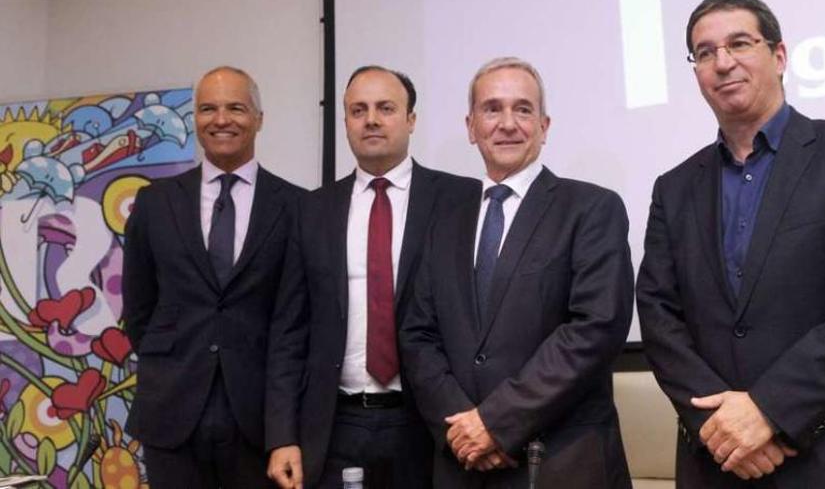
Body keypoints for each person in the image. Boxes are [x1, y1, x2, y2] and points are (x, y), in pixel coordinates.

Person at [636, 0, 825, 487]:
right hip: (715, 461)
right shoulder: (674, 187)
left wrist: (769, 410)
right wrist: (719, 425)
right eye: (704, 53)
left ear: (781, 56)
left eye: (739, 43)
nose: (722, 62)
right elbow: (659, 315)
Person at [399, 57, 634, 488]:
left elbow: (595, 329)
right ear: (471, 127)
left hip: (561, 464)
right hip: (462, 463)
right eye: (492, 109)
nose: (507, 123)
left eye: (522, 109)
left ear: (544, 126)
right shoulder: (442, 221)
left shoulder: (591, 209)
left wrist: (494, 422)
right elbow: (418, 335)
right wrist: (462, 430)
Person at [267, 65, 480, 489]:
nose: (372, 120)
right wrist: (282, 435)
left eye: (386, 108)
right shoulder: (311, 211)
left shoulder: (462, 198)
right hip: (335, 421)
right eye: (358, 110)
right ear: (345, 120)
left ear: (411, 119)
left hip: (429, 421)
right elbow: (289, 330)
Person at [123, 66, 306, 488]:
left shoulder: (296, 207)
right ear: (195, 119)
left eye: (236, 108)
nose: (221, 119)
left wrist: (285, 427)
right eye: (208, 109)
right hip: (171, 412)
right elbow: (139, 310)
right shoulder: (154, 204)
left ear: (259, 119)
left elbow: (293, 321)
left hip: (259, 420)